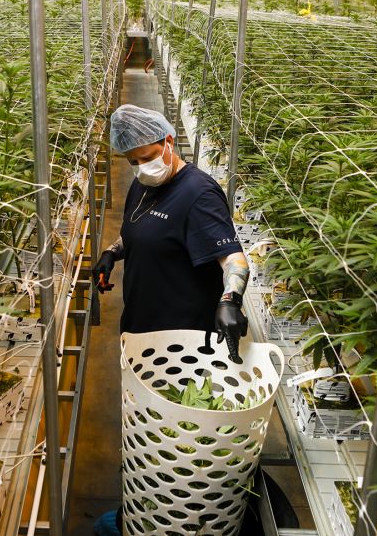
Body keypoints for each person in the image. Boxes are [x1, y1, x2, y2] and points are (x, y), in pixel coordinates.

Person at [90, 104, 251, 536]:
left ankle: (178, 518)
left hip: (183, 340)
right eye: (134, 161)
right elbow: (137, 228)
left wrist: (231, 299)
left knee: (179, 435)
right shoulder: (144, 184)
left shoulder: (198, 193)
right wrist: (113, 251)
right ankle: (142, 506)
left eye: (148, 155)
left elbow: (233, 257)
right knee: (144, 429)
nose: (143, 166)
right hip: (140, 325)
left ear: (168, 142)